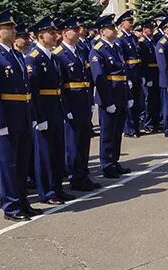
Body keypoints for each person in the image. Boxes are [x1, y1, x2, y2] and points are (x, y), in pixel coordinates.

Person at [0, 9, 42, 222]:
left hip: (21, 116)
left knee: (22, 163)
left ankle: (23, 202)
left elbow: (25, 90)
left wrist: (30, 115)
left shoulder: (14, 54)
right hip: (5, 119)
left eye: (14, 27)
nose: (14, 30)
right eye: (10, 27)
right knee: (8, 165)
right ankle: (11, 207)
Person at [26, 16, 72, 204]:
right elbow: (33, 91)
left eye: (55, 33)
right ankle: (47, 192)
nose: (55, 36)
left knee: (57, 151)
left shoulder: (52, 55)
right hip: (43, 110)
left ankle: (57, 188)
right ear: (40, 36)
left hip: (55, 107)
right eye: (50, 33)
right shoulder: (33, 57)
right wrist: (38, 117)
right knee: (45, 154)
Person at [54, 16, 99, 192]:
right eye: (74, 29)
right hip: (71, 103)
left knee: (83, 141)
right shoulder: (59, 54)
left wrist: (90, 101)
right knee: (72, 143)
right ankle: (75, 177)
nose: (79, 31)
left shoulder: (79, 51)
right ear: (65, 33)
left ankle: (83, 174)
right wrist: (66, 108)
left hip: (83, 101)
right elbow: (60, 85)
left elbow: (86, 79)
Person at [90, 14, 131, 178]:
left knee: (117, 131)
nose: (114, 30)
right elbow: (99, 79)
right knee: (107, 132)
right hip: (109, 96)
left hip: (120, 94)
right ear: (102, 31)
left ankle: (114, 161)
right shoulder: (97, 50)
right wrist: (107, 101)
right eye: (111, 28)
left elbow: (122, 72)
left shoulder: (116, 47)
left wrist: (127, 95)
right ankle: (106, 164)